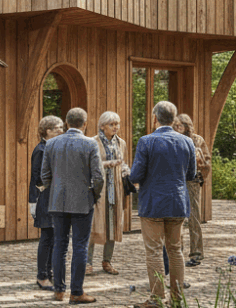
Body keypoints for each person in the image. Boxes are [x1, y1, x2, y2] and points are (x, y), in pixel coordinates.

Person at [129, 101, 196, 308]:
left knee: (154, 251)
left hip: (153, 203)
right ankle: (177, 299)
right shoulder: (187, 142)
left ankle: (157, 299)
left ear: (154, 118)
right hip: (177, 202)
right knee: (175, 250)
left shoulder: (146, 141)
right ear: (173, 119)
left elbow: (136, 175)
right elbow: (191, 174)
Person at [41, 107, 104, 304]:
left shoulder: (51, 143)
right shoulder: (90, 143)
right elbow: (98, 177)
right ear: (85, 124)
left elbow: (44, 175)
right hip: (82, 202)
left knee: (59, 245)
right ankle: (76, 292)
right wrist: (94, 195)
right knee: (80, 246)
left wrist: (55, 190)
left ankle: (59, 291)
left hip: (57, 201)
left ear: (66, 123)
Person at [87, 111, 128, 276]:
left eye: (117, 124)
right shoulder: (92, 142)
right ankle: (87, 263)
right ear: (102, 126)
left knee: (113, 225)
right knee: (93, 225)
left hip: (115, 190)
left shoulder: (121, 143)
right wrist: (108, 164)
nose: (115, 127)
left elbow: (122, 164)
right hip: (98, 190)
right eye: (112, 124)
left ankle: (107, 261)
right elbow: (88, 165)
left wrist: (126, 170)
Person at [29, 115, 64, 290]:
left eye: (62, 127)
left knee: (54, 238)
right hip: (45, 199)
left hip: (55, 198)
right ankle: (42, 276)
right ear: (47, 131)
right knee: (47, 238)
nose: (61, 130)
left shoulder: (54, 147)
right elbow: (38, 178)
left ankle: (49, 274)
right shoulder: (41, 150)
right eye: (57, 128)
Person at [173, 114, 211, 267]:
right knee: (177, 219)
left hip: (192, 182)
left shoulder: (197, 140)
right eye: (175, 125)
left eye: (180, 125)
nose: (178, 128)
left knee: (194, 218)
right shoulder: (172, 140)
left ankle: (196, 254)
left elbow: (207, 162)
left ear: (187, 126)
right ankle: (177, 253)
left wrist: (199, 167)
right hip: (176, 182)